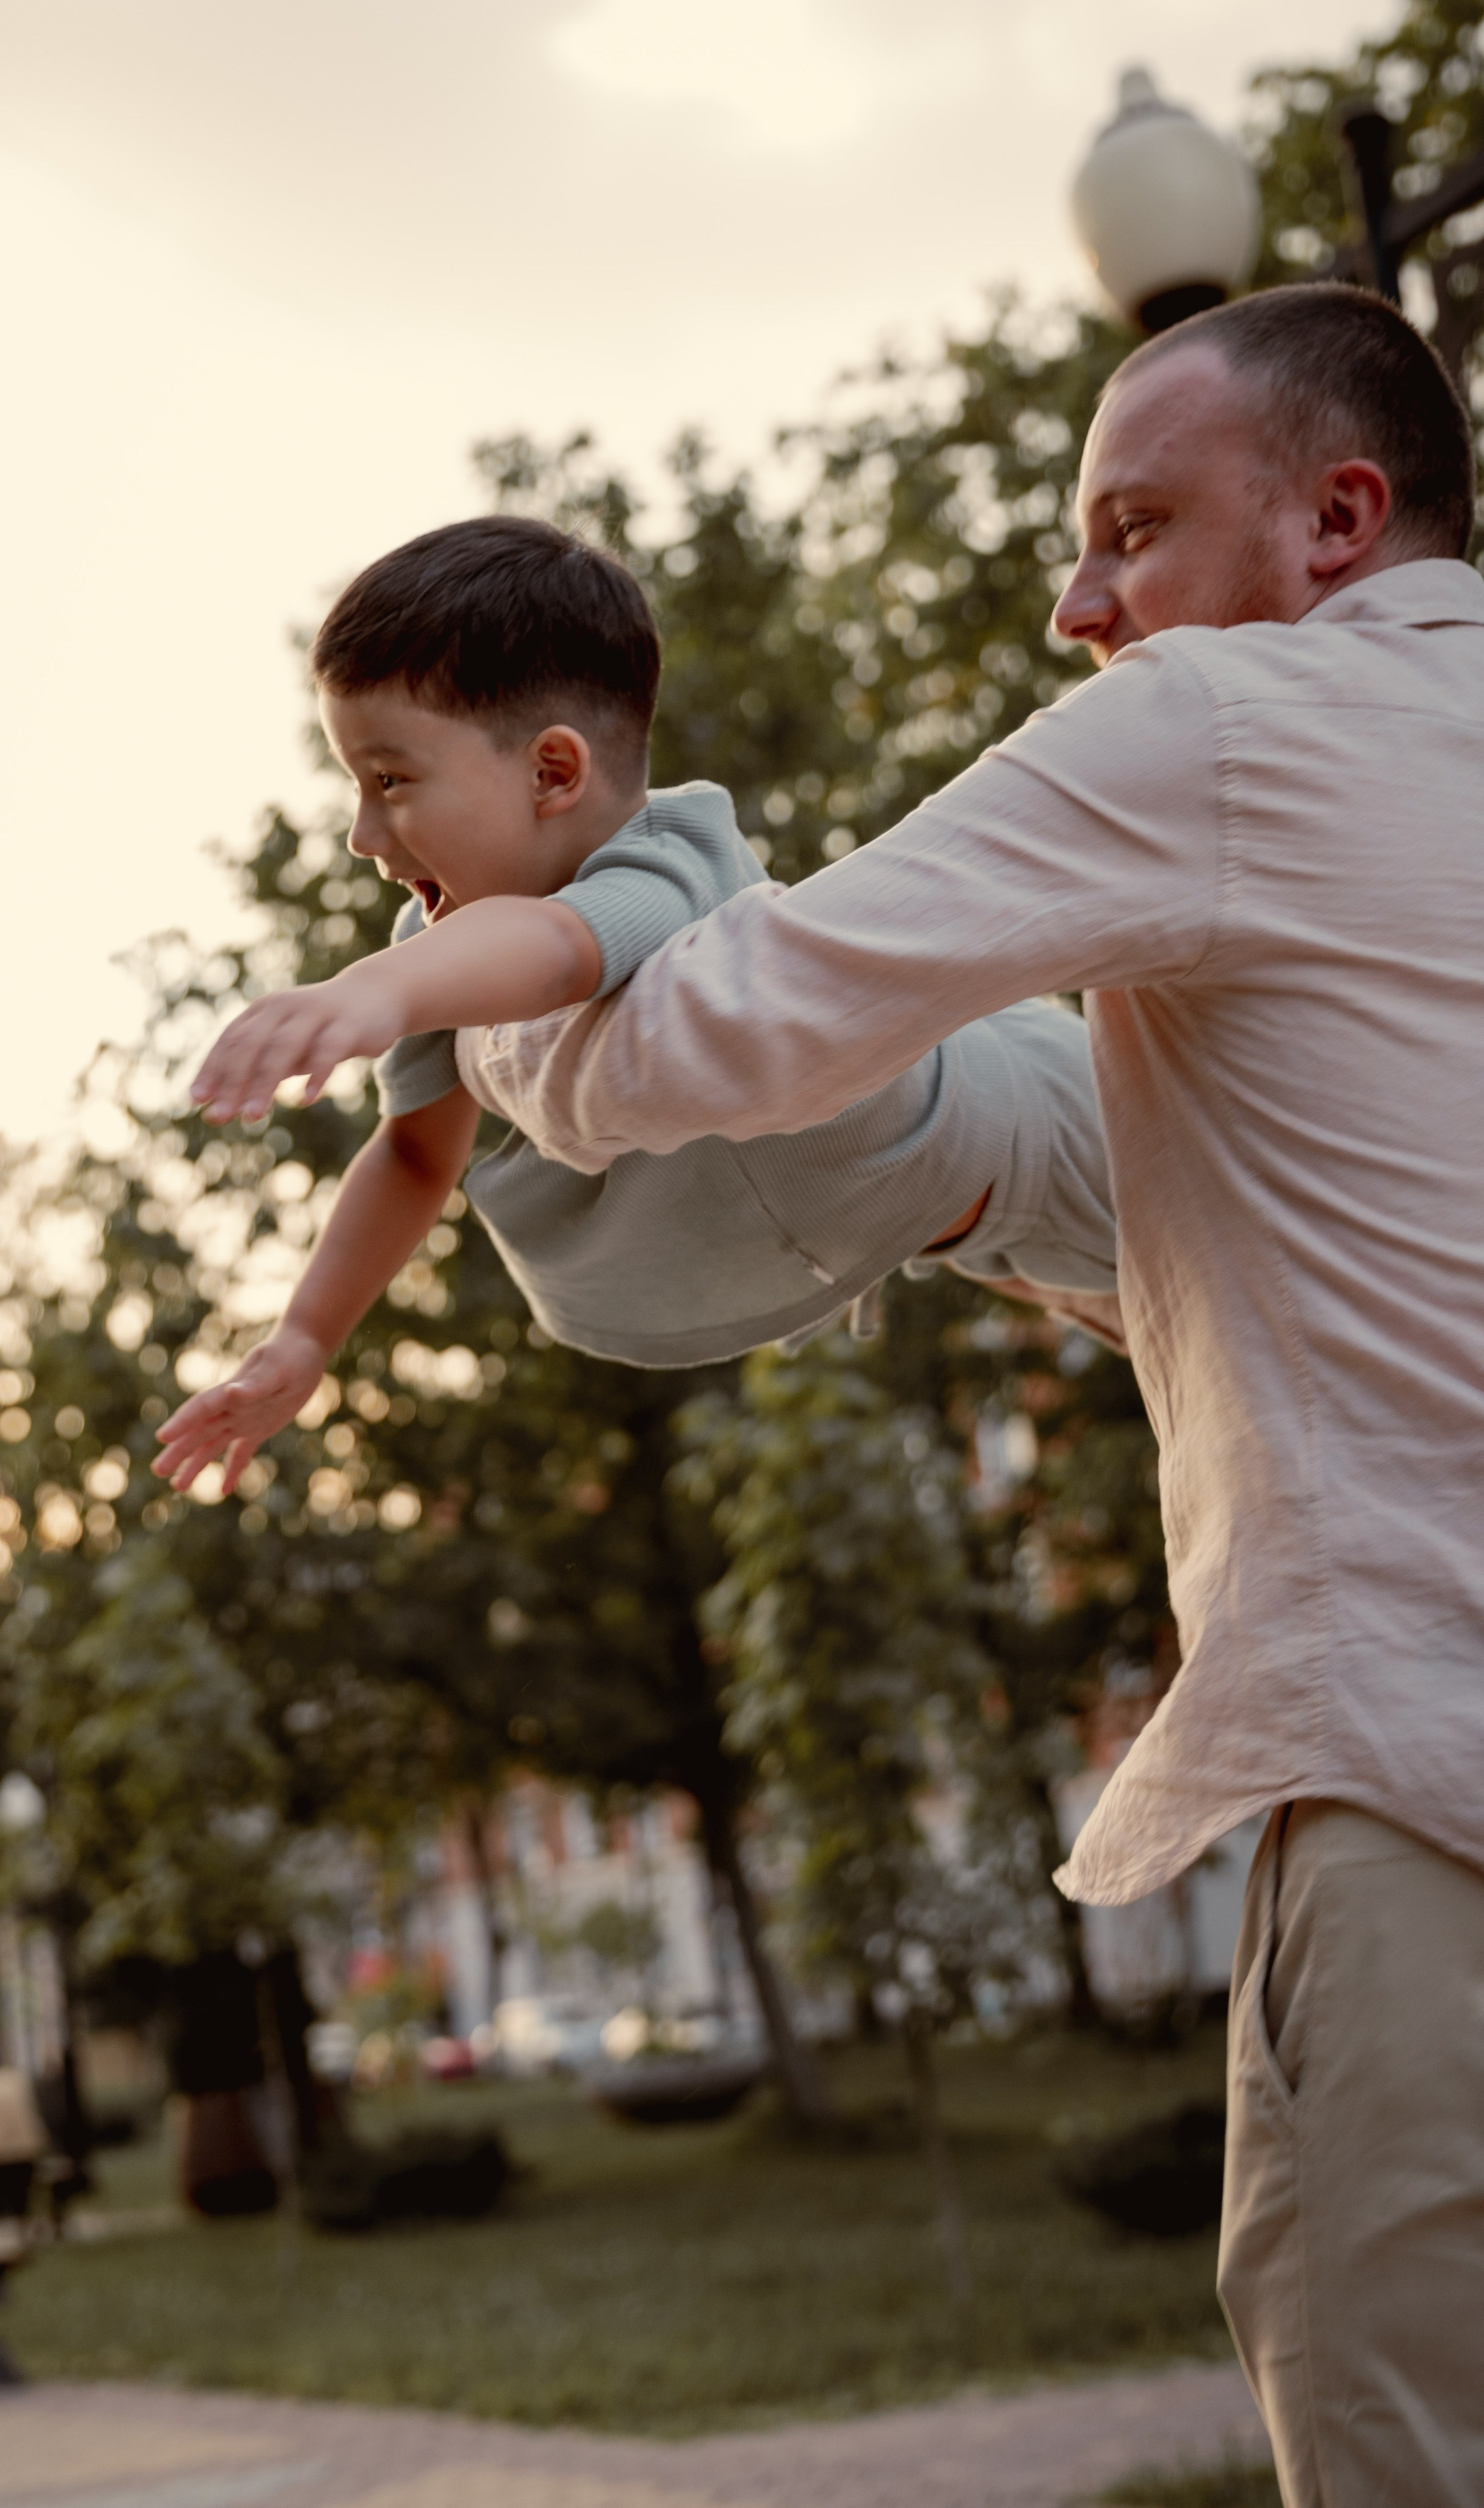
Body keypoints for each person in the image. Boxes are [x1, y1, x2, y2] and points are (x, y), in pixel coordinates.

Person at [428, 286, 1484, 2505]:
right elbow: (1167, 1179)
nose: (1077, 601)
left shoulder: (1216, 726)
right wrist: (928, 1165)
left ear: (1336, 520)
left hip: (1429, 1784)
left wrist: (488, 981)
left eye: (1130, 527)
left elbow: (724, 1028)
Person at [157, 516, 1121, 1494]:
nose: (364, 834)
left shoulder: (668, 858)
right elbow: (414, 1151)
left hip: (1053, 1120)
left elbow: (558, 953)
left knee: (1264, 1280)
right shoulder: (442, 954)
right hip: (980, 1235)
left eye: (391, 779)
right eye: (355, 786)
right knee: (1186, 1350)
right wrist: (304, 1338)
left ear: (553, 772)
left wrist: (370, 989)